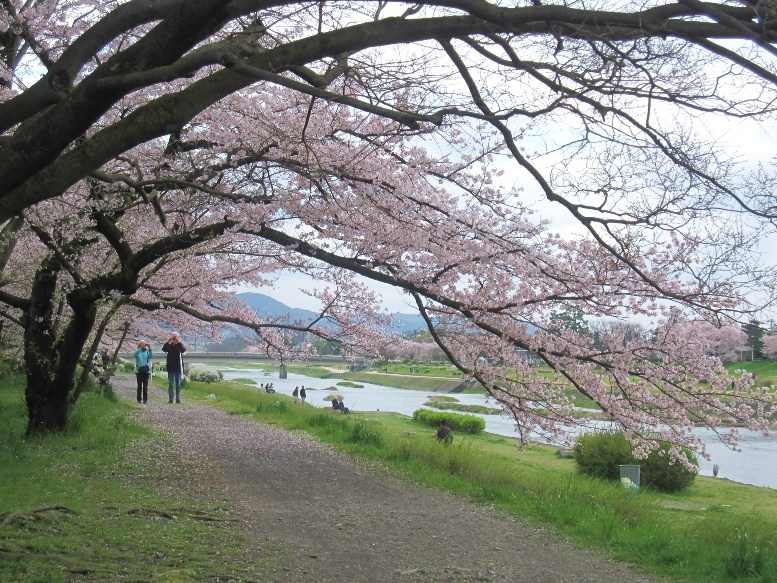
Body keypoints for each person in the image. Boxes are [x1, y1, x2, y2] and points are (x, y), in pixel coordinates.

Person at [162, 332, 186, 404]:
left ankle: (178, 399)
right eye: (173, 337)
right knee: (171, 384)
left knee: (178, 384)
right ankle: (171, 399)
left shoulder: (179, 345)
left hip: (178, 367)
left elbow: (183, 350)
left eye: (176, 337)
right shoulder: (169, 346)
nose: (175, 339)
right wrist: (168, 341)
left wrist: (178, 343)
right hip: (170, 367)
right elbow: (164, 349)